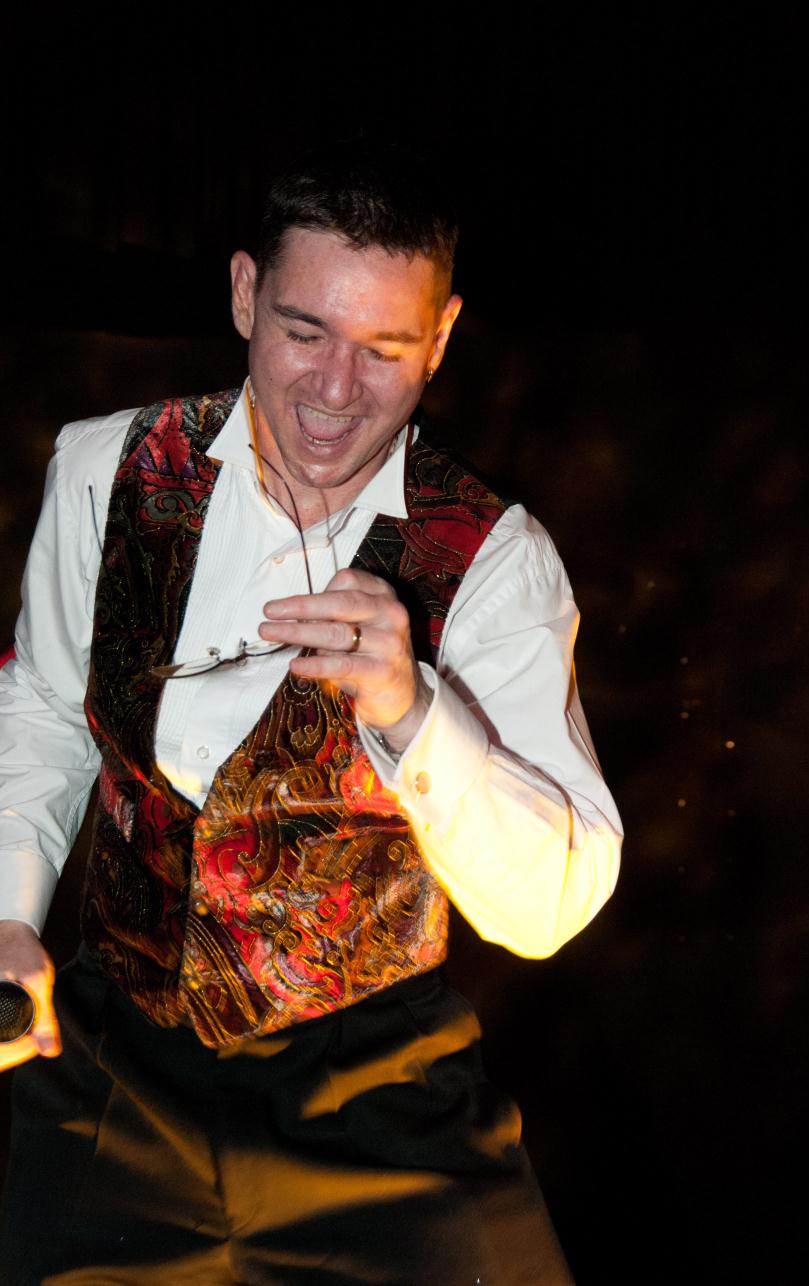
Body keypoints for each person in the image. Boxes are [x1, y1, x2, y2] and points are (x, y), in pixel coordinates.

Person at [0, 144, 622, 1284]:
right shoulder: (103, 469)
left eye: (384, 349)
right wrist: (8, 913)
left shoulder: (496, 560)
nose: (337, 391)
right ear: (244, 294)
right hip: (113, 1067)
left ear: (439, 339)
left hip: (376, 1103)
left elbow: (552, 904)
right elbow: (42, 706)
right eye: (304, 331)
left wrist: (414, 710)